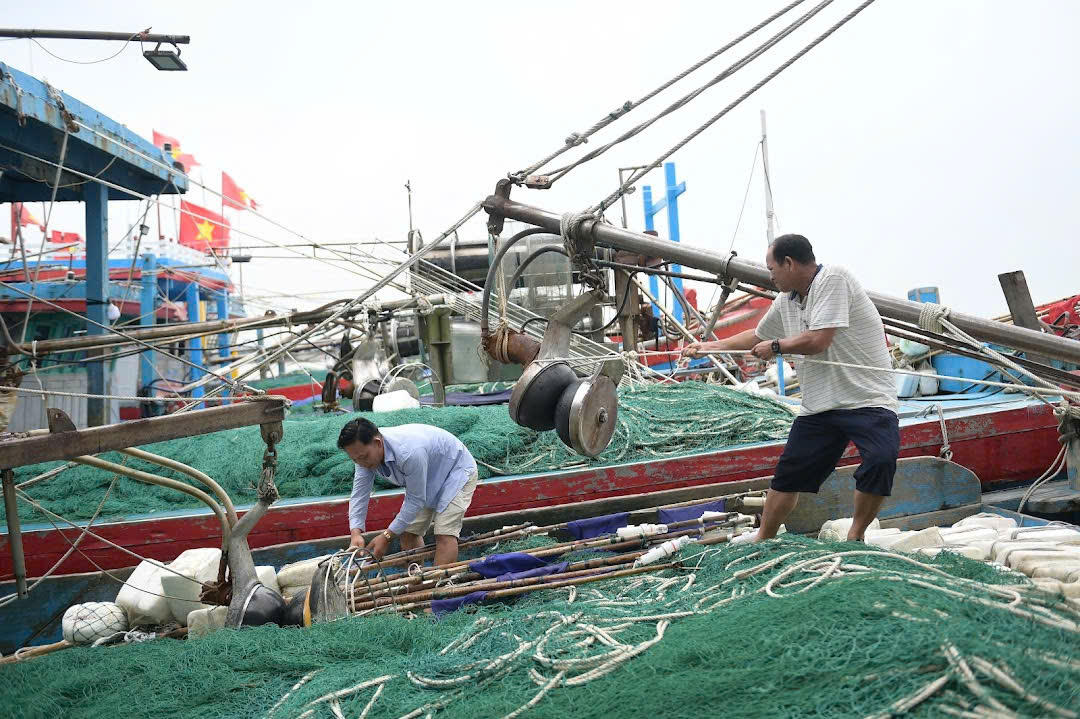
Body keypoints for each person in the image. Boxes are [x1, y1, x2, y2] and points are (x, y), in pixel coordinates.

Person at [683, 234, 899, 542]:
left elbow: (817, 340)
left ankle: (855, 537)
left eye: (772, 268)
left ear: (789, 263)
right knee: (787, 477)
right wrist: (709, 346)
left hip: (867, 398)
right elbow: (756, 336)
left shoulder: (834, 279)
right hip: (820, 405)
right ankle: (764, 538)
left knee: (880, 460)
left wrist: (777, 346)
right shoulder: (786, 301)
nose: (769, 276)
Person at [339, 418, 479, 565]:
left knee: (444, 533)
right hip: (426, 477)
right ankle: (418, 580)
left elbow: (415, 500)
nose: (361, 463)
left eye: (363, 457)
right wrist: (355, 533)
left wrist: (386, 536)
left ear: (377, 443)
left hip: (456, 471)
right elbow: (359, 494)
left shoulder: (408, 452)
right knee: (407, 533)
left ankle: (438, 585)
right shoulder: (362, 455)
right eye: (355, 460)